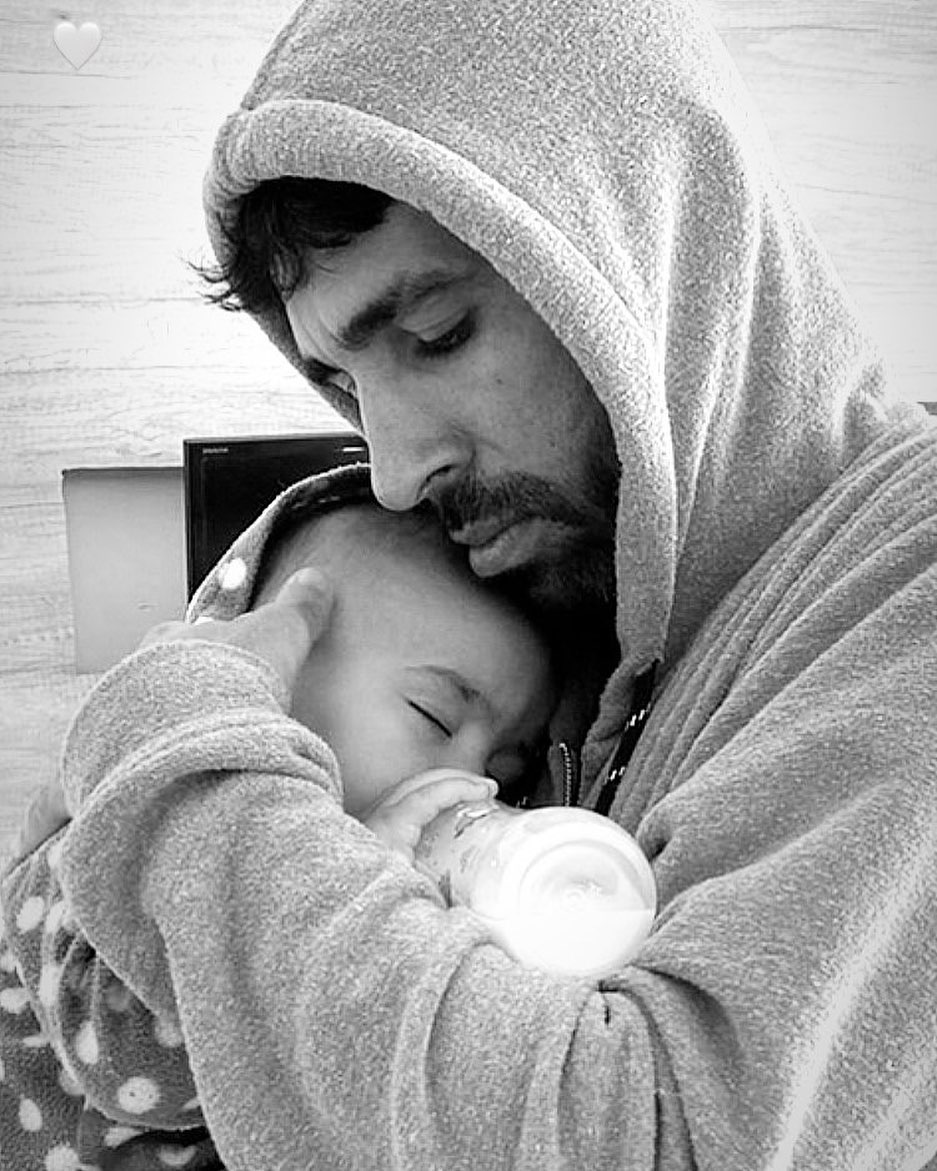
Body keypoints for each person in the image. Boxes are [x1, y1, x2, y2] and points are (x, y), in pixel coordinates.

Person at [8, 0, 937, 1165]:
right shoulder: (588, 600)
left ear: (648, 243)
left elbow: (648, 1139)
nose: (394, 471)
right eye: (342, 387)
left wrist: (179, 775)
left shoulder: (905, 586)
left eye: (440, 332)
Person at [0, 466, 558, 1170]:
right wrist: (338, 895)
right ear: (267, 677)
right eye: (435, 716)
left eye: (509, 768)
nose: (474, 780)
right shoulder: (124, 829)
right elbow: (130, 1061)